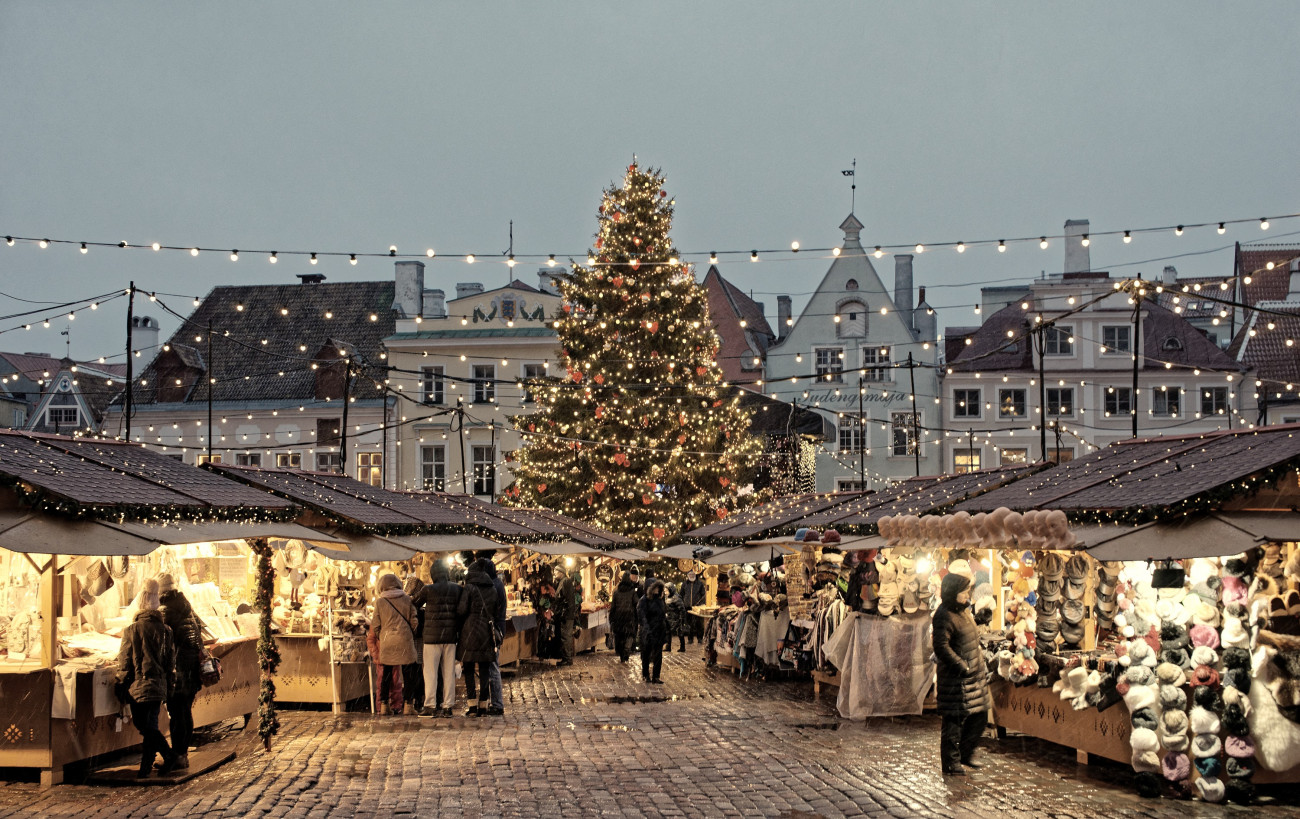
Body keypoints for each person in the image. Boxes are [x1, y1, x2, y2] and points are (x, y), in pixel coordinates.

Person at [115, 577, 179, 778]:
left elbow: (125, 662)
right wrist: (169, 683)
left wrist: (120, 683)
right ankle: (146, 766)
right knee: (150, 725)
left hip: (139, 684)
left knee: (144, 726)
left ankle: (169, 756)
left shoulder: (132, 630)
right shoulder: (166, 630)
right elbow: (170, 662)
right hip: (158, 685)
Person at [932, 571, 991, 776]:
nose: (967, 594)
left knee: (980, 715)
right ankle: (951, 763)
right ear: (953, 592)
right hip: (955, 678)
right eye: (964, 591)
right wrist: (961, 665)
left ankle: (965, 753)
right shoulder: (943, 614)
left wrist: (980, 620)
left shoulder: (963, 611)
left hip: (973, 675)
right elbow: (941, 646)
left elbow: (966, 632)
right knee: (953, 722)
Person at [158, 573, 204, 771]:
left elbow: (163, 642)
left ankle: (177, 755)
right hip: (192, 670)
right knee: (185, 712)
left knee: (177, 714)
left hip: (179, 672)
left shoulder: (166, 612)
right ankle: (182, 754)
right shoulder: (187, 609)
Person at [412, 562, 461, 717]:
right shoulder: (456, 588)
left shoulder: (427, 589)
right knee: (448, 673)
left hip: (431, 638)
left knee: (431, 673)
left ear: (433, 574)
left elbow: (414, 603)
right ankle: (447, 706)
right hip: (450, 636)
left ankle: (430, 705)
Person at [458, 558, 501, 717]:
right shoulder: (492, 588)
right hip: (486, 631)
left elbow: (462, 610)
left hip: (470, 631)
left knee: (468, 669)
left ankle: (472, 706)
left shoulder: (469, 588)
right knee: (484, 670)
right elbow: (496, 612)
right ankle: (484, 704)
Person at [372, 573, 418, 715]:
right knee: (408, 673)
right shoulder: (407, 599)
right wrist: (409, 633)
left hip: (387, 641)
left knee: (386, 673)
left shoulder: (380, 602)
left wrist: (383, 636)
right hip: (404, 640)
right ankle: (408, 705)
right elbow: (414, 621)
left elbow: (376, 624)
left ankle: (385, 705)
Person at [475, 550, 508, 716]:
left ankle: (497, 703)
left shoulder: (493, 586)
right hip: (497, 627)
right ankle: (492, 702)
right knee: (491, 666)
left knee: (492, 666)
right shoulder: (498, 583)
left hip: (493, 629)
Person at [637, 579, 668, 684]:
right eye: (655, 587)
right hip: (649, 631)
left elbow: (663, 613)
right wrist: (646, 628)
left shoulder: (660, 600)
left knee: (658, 654)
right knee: (646, 654)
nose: (657, 590)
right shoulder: (644, 600)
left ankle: (656, 676)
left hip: (659, 630)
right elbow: (642, 615)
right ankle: (646, 675)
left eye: (659, 588)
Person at [610, 572, 640, 663]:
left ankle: (622, 654)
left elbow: (613, 607)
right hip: (629, 617)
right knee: (629, 634)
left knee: (620, 635)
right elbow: (637, 604)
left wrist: (611, 618)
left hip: (618, 617)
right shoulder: (632, 592)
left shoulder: (616, 592)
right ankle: (627, 649)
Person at [556, 566, 582, 667]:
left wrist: (563, 612)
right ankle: (566, 658)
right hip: (566, 614)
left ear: (561, 572)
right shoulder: (563, 581)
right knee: (565, 637)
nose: (554, 573)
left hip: (566, 615)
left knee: (566, 637)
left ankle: (567, 659)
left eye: (556, 571)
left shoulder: (565, 582)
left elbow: (566, 599)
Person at [679, 570, 706, 645]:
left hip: (697, 607)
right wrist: (683, 604)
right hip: (687, 607)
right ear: (688, 575)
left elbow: (703, 596)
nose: (691, 576)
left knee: (699, 623)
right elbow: (681, 594)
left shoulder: (700, 584)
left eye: (692, 574)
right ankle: (690, 639)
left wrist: (700, 604)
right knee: (688, 623)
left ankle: (700, 638)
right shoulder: (684, 584)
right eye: (690, 574)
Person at [664, 582, 687, 653]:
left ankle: (682, 647)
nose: (665, 592)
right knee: (668, 632)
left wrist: (681, 618)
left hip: (676, 618)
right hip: (669, 617)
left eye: (666, 591)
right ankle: (668, 646)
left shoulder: (676, 598)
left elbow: (682, 609)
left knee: (679, 632)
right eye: (665, 591)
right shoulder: (667, 597)